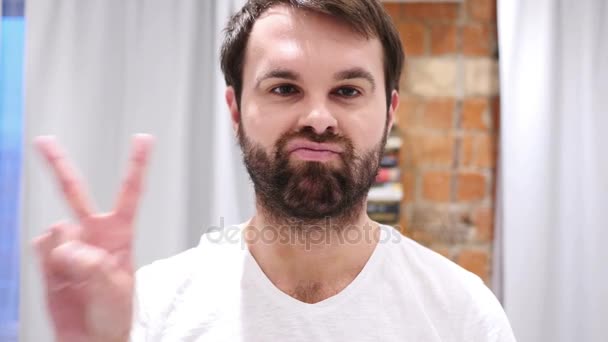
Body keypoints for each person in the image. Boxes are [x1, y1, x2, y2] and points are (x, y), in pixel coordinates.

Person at [32, 0, 517, 341]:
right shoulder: (151, 309)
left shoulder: (461, 313)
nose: (318, 118)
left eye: (347, 91)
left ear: (390, 112)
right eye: (285, 88)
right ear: (236, 109)